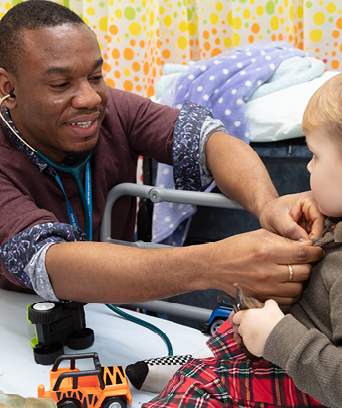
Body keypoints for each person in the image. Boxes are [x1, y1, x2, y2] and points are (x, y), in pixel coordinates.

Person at [0, 0, 324, 306]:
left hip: (109, 309)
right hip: (16, 313)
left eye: (95, 77)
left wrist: (266, 204)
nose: (89, 98)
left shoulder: (117, 110)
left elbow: (212, 142)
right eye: (60, 84)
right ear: (7, 89)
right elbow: (50, 260)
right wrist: (214, 264)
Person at [134, 72, 342, 407]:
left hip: (310, 378)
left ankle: (193, 378)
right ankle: (196, 366)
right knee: (227, 337)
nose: (307, 168)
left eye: (315, 156)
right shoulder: (331, 221)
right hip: (293, 345)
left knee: (199, 387)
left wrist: (277, 337)